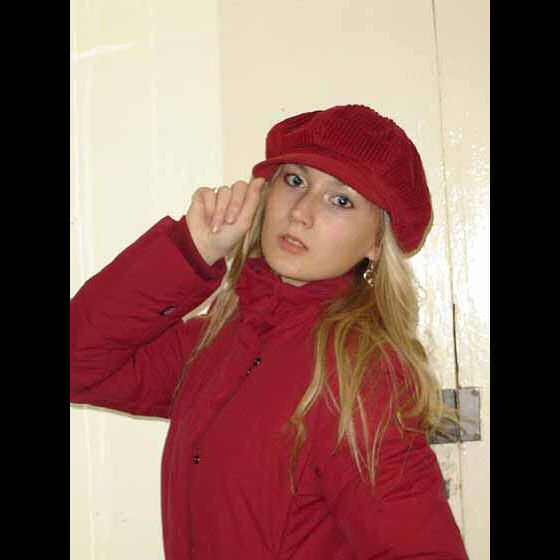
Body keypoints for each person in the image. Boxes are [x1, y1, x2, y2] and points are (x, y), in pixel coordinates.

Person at [70, 104, 469, 559]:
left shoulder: (360, 374)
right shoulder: (218, 339)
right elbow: (78, 362)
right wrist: (189, 251)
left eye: (340, 200)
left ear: (377, 242)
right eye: (295, 180)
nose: (301, 212)